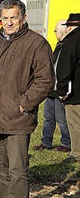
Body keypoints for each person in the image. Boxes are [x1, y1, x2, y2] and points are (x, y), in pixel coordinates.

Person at [0, 0, 54, 198]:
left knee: (17, 169)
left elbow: (45, 80)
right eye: (6, 18)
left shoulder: (36, 43)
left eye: (14, 17)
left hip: (18, 118)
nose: (9, 22)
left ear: (23, 18)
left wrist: (24, 103)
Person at [34, 19, 71, 152]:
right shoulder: (59, 45)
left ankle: (66, 143)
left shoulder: (68, 46)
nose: (55, 33)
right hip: (51, 89)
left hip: (60, 89)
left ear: (61, 32)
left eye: (56, 31)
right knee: (48, 117)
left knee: (61, 119)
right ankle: (46, 142)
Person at [56, 13, 80, 159]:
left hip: (75, 92)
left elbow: (65, 68)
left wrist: (62, 89)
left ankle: (76, 152)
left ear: (70, 26)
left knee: (75, 123)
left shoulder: (71, 41)